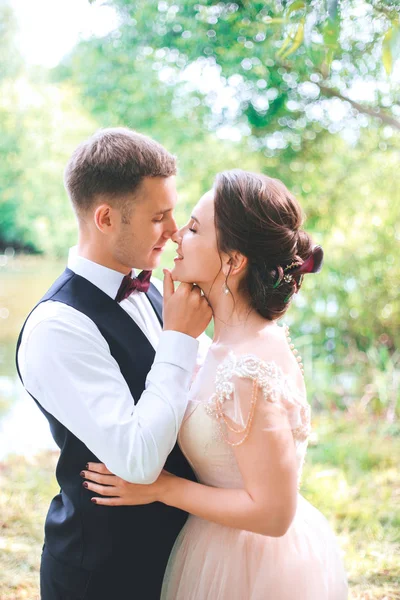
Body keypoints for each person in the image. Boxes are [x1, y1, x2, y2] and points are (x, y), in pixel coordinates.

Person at [82, 170, 348, 599]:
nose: (176, 237)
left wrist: (163, 488)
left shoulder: (246, 368)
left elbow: (275, 513)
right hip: (218, 542)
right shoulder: (227, 342)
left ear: (234, 260)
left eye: (194, 228)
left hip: (253, 565)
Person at [15, 128, 212, 600]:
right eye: (158, 217)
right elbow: (139, 459)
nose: (175, 232)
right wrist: (180, 340)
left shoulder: (155, 290)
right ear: (105, 218)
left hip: (182, 558)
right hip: (102, 575)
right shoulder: (57, 328)